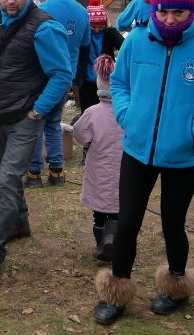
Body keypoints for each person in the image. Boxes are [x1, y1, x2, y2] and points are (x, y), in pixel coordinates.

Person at [94, 0, 194, 325]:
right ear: (153, 9)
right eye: (164, 12)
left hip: (185, 156)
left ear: (190, 10)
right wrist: (126, 115)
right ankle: (117, 290)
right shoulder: (138, 40)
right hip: (137, 150)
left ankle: (175, 286)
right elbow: (121, 83)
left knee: (173, 223)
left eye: (178, 13)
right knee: (127, 222)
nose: (170, 20)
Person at [0, 0, 72, 287]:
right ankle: (21, 223)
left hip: (25, 118)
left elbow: (62, 74)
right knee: (10, 178)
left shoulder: (44, 28)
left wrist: (38, 111)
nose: (11, 0)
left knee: (9, 178)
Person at [25, 0, 90, 188]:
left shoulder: (42, 11)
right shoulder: (82, 11)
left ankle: (34, 173)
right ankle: (57, 171)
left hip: (42, 75)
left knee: (35, 122)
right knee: (53, 123)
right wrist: (76, 78)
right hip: (66, 76)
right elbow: (85, 47)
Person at [74, 55, 122, 261]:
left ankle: (101, 240)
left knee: (99, 210)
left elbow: (80, 133)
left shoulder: (92, 113)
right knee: (118, 208)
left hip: (98, 168)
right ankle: (113, 237)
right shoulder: (126, 112)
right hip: (123, 167)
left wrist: (88, 144)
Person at [80, 0, 124, 112]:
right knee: (88, 112)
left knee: (108, 113)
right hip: (87, 82)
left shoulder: (108, 33)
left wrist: (110, 28)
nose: (96, 30)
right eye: (93, 27)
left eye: (100, 27)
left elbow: (123, 46)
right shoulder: (84, 34)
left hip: (107, 81)